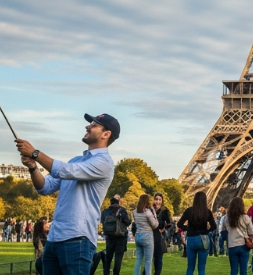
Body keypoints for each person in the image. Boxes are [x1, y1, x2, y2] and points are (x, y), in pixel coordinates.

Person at [17, 113, 119, 275]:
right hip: (54, 238)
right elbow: (44, 186)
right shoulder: (75, 160)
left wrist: (35, 153)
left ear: (106, 134)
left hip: (78, 239)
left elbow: (65, 170)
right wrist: (32, 167)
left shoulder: (104, 163)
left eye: (93, 125)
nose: (87, 126)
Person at [178, 191, 217, 275]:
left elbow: (179, 224)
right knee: (202, 269)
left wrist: (187, 228)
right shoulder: (207, 212)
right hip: (203, 239)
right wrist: (207, 231)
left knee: (190, 268)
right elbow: (214, 226)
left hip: (191, 238)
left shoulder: (189, 211)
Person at [101, 196, 131, 275]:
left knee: (108, 258)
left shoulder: (105, 211)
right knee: (118, 259)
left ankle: (106, 273)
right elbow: (127, 222)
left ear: (110, 203)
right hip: (120, 237)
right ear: (118, 202)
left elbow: (103, 222)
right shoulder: (122, 210)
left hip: (109, 237)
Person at [225, 197, 253, 275]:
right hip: (243, 245)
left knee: (234, 271)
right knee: (243, 271)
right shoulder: (245, 217)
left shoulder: (227, 218)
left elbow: (225, 229)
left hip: (232, 245)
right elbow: (251, 231)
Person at [133, 194, 159, 275]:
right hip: (147, 236)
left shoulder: (134, 212)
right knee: (148, 261)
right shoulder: (147, 212)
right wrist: (154, 213)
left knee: (138, 259)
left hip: (138, 236)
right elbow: (155, 225)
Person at [152, 193, 172, 274]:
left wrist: (164, 229)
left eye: (159, 200)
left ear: (162, 201)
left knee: (159, 257)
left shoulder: (165, 211)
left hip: (160, 235)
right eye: (156, 199)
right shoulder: (151, 209)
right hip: (151, 235)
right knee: (151, 256)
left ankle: (157, 272)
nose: (157, 201)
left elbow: (169, 224)